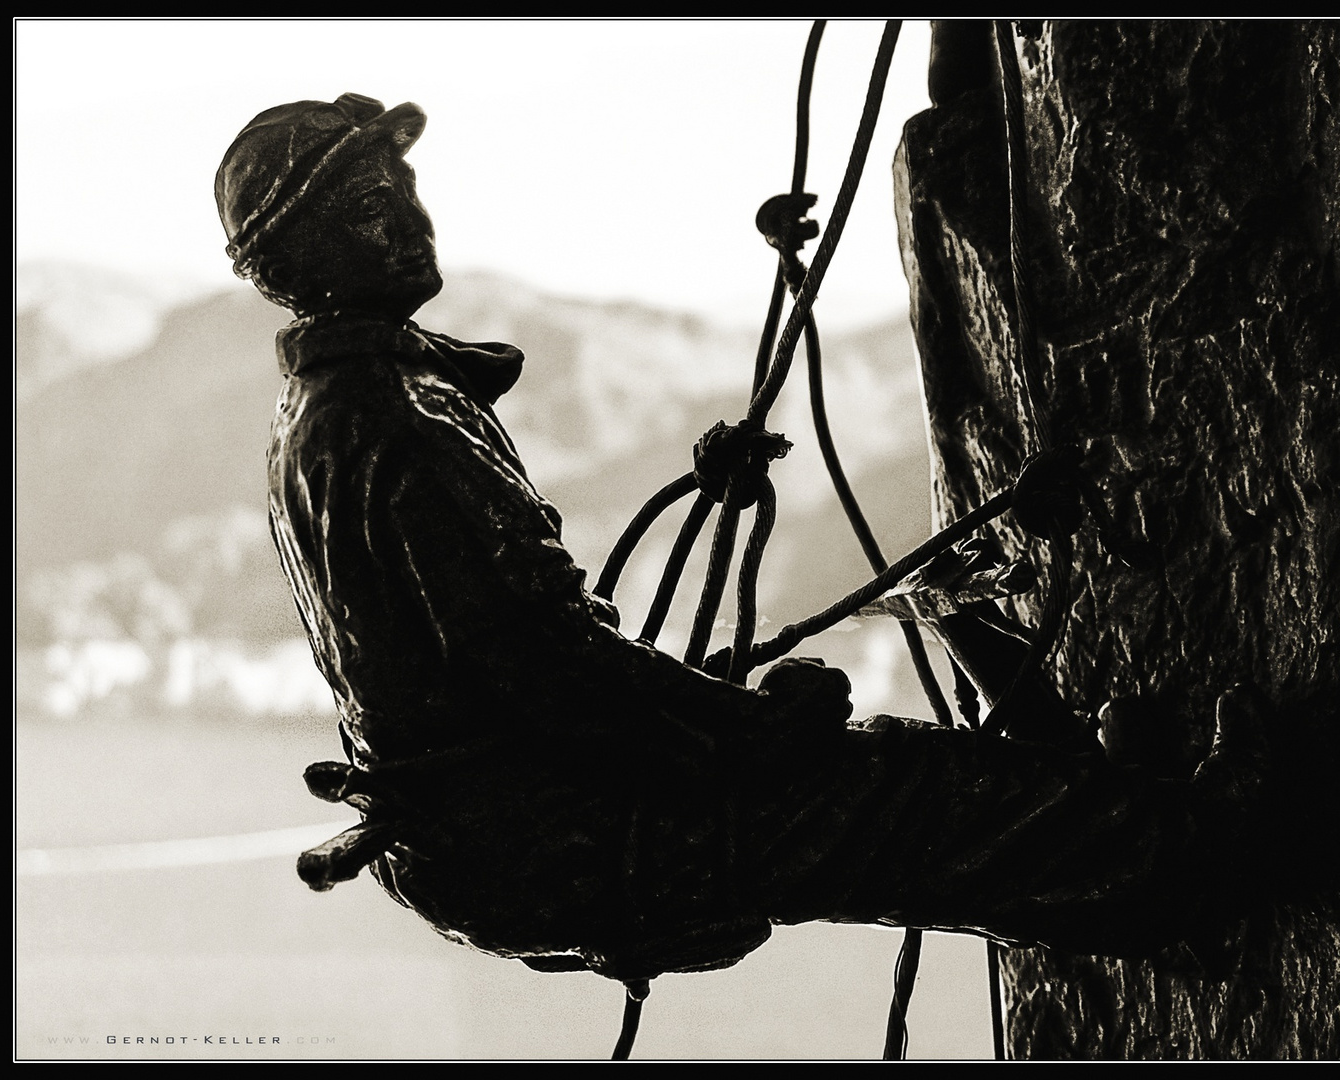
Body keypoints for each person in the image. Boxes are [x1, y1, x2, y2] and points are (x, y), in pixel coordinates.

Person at [216, 93, 1264, 985]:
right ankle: (1196, 868)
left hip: (494, 830)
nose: (410, 220)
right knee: (888, 799)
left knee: (880, 795)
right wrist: (745, 733)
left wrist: (706, 713)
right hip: (544, 833)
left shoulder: (328, 408)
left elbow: (528, 669)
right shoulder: (393, 420)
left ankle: (1121, 865)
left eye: (402, 192)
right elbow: (546, 669)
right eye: (369, 208)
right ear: (304, 258)